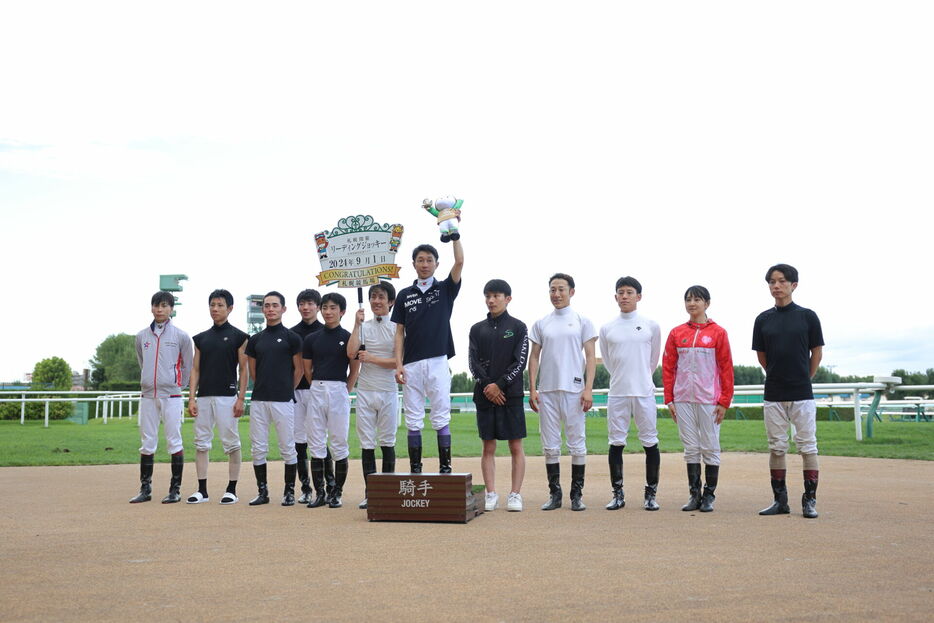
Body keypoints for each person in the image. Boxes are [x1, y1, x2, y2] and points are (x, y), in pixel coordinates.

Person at [752, 264, 824, 519]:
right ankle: (780, 500)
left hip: (802, 392)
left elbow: (816, 352)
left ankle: (810, 500)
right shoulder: (762, 319)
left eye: (782, 281)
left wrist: (806, 376)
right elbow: (762, 357)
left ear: (794, 285)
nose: (776, 286)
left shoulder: (808, 316)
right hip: (773, 392)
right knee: (777, 447)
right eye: (772, 282)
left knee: (807, 446)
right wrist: (775, 373)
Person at [392, 237, 464, 473]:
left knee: (441, 415)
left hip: (438, 360)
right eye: (420, 260)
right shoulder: (404, 295)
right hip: (411, 364)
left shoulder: (444, 289)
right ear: (413, 264)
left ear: (436, 264)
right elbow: (399, 332)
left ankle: (445, 467)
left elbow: (460, 261)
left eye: (429, 260)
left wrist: (455, 235)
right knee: (413, 418)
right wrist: (398, 364)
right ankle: (415, 468)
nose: (425, 264)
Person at [528, 273, 597, 511]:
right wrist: (532, 388)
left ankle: (576, 495)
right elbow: (534, 356)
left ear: (572, 292)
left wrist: (588, 388)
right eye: (552, 290)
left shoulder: (582, 321)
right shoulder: (541, 323)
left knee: (577, 443)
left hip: (574, 390)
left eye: (561, 290)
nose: (556, 294)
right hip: (547, 391)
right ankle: (554, 494)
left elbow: (590, 357)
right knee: (550, 444)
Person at [663, 285, 734, 513]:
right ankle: (694, 495)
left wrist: (724, 400)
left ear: (707, 303)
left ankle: (709, 496)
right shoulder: (676, 333)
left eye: (697, 299)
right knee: (691, 448)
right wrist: (669, 399)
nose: (692, 303)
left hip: (709, 400)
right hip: (682, 399)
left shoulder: (718, 333)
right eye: (688, 299)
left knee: (710, 446)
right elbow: (668, 367)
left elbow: (726, 368)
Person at [598, 276, 662, 511]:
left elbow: (652, 360)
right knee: (616, 443)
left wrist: (641, 378)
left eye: (629, 292)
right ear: (615, 297)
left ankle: (650, 494)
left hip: (644, 392)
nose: (624, 296)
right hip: (618, 393)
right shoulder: (607, 328)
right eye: (620, 292)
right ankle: (617, 493)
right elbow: (608, 360)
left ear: (639, 296)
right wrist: (623, 378)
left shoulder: (651, 325)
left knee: (650, 442)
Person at [468, 279, 529, 512]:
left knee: (515, 446)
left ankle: (515, 494)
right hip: (485, 395)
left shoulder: (519, 327)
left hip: (510, 395)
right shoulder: (476, 329)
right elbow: (473, 363)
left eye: (496, 296)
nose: (491, 300)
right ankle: (491, 493)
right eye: (488, 296)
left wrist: (500, 385)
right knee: (488, 447)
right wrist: (488, 386)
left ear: (508, 299)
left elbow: (520, 361)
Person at [186, 289, 249, 505]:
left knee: (231, 443)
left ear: (230, 308)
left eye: (220, 305)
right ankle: (202, 490)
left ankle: (231, 489)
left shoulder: (239, 337)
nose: (215, 309)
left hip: (227, 397)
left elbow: (244, 369)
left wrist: (241, 398)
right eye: (212, 304)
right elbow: (195, 369)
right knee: (201, 443)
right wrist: (191, 397)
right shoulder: (201, 338)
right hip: (203, 397)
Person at [130, 291, 193, 504]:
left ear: (171, 309)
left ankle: (175, 490)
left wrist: (178, 385)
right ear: (151, 308)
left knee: (174, 441)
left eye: (164, 306)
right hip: (148, 394)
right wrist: (149, 380)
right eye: (156, 305)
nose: (160, 309)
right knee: (147, 442)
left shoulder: (181, 336)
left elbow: (188, 365)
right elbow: (142, 361)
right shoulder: (141, 336)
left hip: (172, 395)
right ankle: (145, 489)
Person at [244, 291, 304, 506]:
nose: (270, 309)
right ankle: (263, 491)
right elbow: (253, 373)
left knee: (288, 446)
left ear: (283, 309)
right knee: (258, 447)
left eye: (275, 305)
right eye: (267, 305)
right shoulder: (255, 340)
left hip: (283, 400)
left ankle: (289, 492)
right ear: (263, 310)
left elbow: (299, 370)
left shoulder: (292, 338)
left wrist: (287, 389)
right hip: (260, 400)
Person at [303, 292, 360, 508]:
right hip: (316, 388)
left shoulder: (348, 337)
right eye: (324, 307)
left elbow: (354, 368)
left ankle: (337, 492)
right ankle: (320, 492)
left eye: (333, 308)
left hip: (339, 390)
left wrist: (345, 389)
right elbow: (307, 369)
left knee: (338, 442)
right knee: (316, 442)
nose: (328, 312)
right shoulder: (311, 339)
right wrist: (316, 385)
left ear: (342, 311)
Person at [347, 282, 400, 510]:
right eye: (373, 297)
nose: (376, 301)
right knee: (367, 443)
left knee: (387, 441)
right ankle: (371, 493)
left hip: (388, 391)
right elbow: (351, 352)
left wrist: (372, 359)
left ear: (391, 302)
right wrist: (356, 325)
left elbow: (398, 362)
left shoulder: (398, 328)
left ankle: (388, 493)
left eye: (381, 297)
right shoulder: (364, 326)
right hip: (365, 391)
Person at [290, 289, 336, 505]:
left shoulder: (325, 330)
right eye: (302, 303)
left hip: (320, 392)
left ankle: (330, 485)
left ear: (318, 307)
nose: (305, 307)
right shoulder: (291, 333)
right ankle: (306, 488)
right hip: (297, 393)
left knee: (320, 441)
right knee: (300, 442)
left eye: (310, 303)